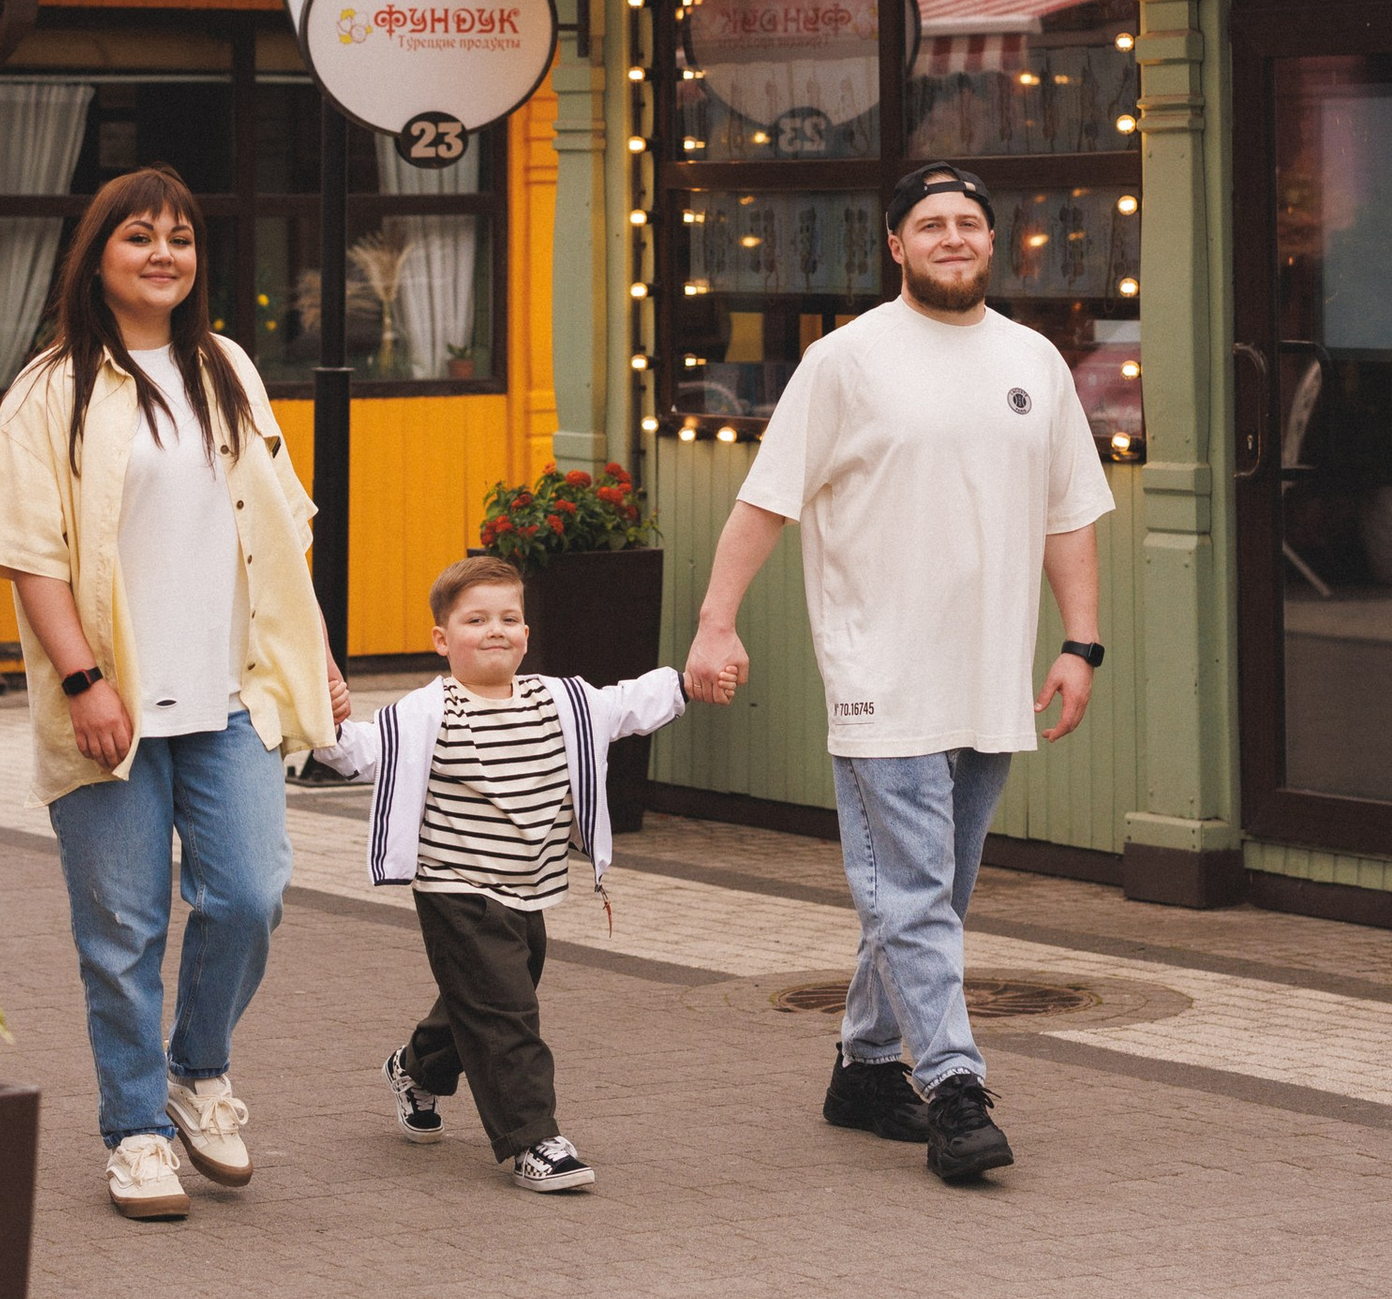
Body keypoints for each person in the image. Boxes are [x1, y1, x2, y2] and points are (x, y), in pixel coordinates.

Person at [682, 164, 1116, 1187]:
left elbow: (1068, 512)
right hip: (879, 666)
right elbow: (765, 501)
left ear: (991, 241)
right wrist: (715, 622)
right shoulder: (846, 361)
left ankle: (866, 1067)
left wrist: (1079, 641)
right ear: (895, 244)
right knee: (915, 891)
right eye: (932, 223)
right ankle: (954, 1087)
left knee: (933, 893)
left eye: (969, 222)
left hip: (987, 672)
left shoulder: (1032, 360)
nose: (953, 237)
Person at [0, 167, 347, 1223]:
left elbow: (277, 525)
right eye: (140, 237)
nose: (165, 254)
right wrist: (82, 678)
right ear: (97, 257)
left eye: (180, 237)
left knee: (252, 892)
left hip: (229, 694)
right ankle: (134, 1130)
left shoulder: (225, 366)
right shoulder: (52, 388)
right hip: (114, 706)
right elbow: (26, 553)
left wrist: (311, 652)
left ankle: (198, 1071)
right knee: (123, 930)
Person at [311, 549, 699, 1194]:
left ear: (526, 634)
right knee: (505, 1011)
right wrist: (322, 716)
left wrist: (688, 680)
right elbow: (353, 753)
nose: (495, 629)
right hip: (454, 886)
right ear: (441, 639)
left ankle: (415, 1069)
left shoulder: (563, 701)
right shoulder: (424, 715)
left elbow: (630, 703)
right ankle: (533, 1139)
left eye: (509, 618)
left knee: (486, 999)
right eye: (475, 620)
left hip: (530, 886)